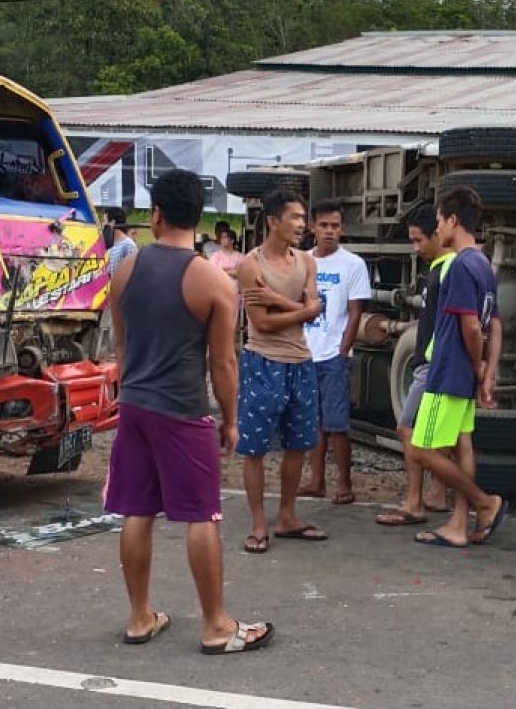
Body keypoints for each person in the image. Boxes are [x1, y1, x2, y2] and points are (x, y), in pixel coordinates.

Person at [105, 168, 272, 656]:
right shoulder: (213, 281)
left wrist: (129, 394)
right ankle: (217, 625)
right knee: (202, 515)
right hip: (181, 410)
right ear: (199, 218)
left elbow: (121, 344)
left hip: (134, 404)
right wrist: (232, 419)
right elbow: (222, 362)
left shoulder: (125, 270)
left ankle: (140, 618)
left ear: (155, 215)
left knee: (138, 510)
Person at [409, 186, 507, 548]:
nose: (437, 229)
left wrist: (478, 364)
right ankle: (457, 525)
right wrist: (488, 370)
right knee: (462, 444)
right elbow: (494, 324)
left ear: (452, 220)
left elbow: (469, 325)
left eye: (438, 221)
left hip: (449, 370)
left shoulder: (462, 265)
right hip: (464, 373)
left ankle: (485, 503)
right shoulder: (483, 263)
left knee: (422, 450)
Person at [236, 189, 326, 551]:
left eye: (304, 218)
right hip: (263, 362)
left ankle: (287, 515)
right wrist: (302, 311)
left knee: (298, 445)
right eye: (295, 218)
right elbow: (263, 323)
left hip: (301, 362)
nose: (302, 225)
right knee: (255, 448)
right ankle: (259, 523)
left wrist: (277, 301)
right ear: (273, 221)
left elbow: (314, 305)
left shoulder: (307, 261)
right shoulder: (251, 265)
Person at [376, 202, 453, 525]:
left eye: (420, 239)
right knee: (444, 437)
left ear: (440, 232)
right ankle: (436, 494)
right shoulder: (442, 268)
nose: (415, 247)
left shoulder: (447, 269)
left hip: (431, 365)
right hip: (434, 363)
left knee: (407, 428)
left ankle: (414, 501)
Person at [297, 199, 371, 505]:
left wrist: (343, 351)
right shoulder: (300, 261)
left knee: (337, 423)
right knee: (312, 421)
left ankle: (344, 483)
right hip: (304, 353)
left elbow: (355, 312)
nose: (329, 231)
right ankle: (316, 480)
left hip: (333, 356)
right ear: (312, 227)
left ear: (342, 229)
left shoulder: (353, 264)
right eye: (324, 225)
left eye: (335, 226)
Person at [105, 207, 138, 278]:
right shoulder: (109, 245)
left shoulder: (128, 245)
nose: (103, 225)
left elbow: (133, 275)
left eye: (105, 221)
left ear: (112, 223)